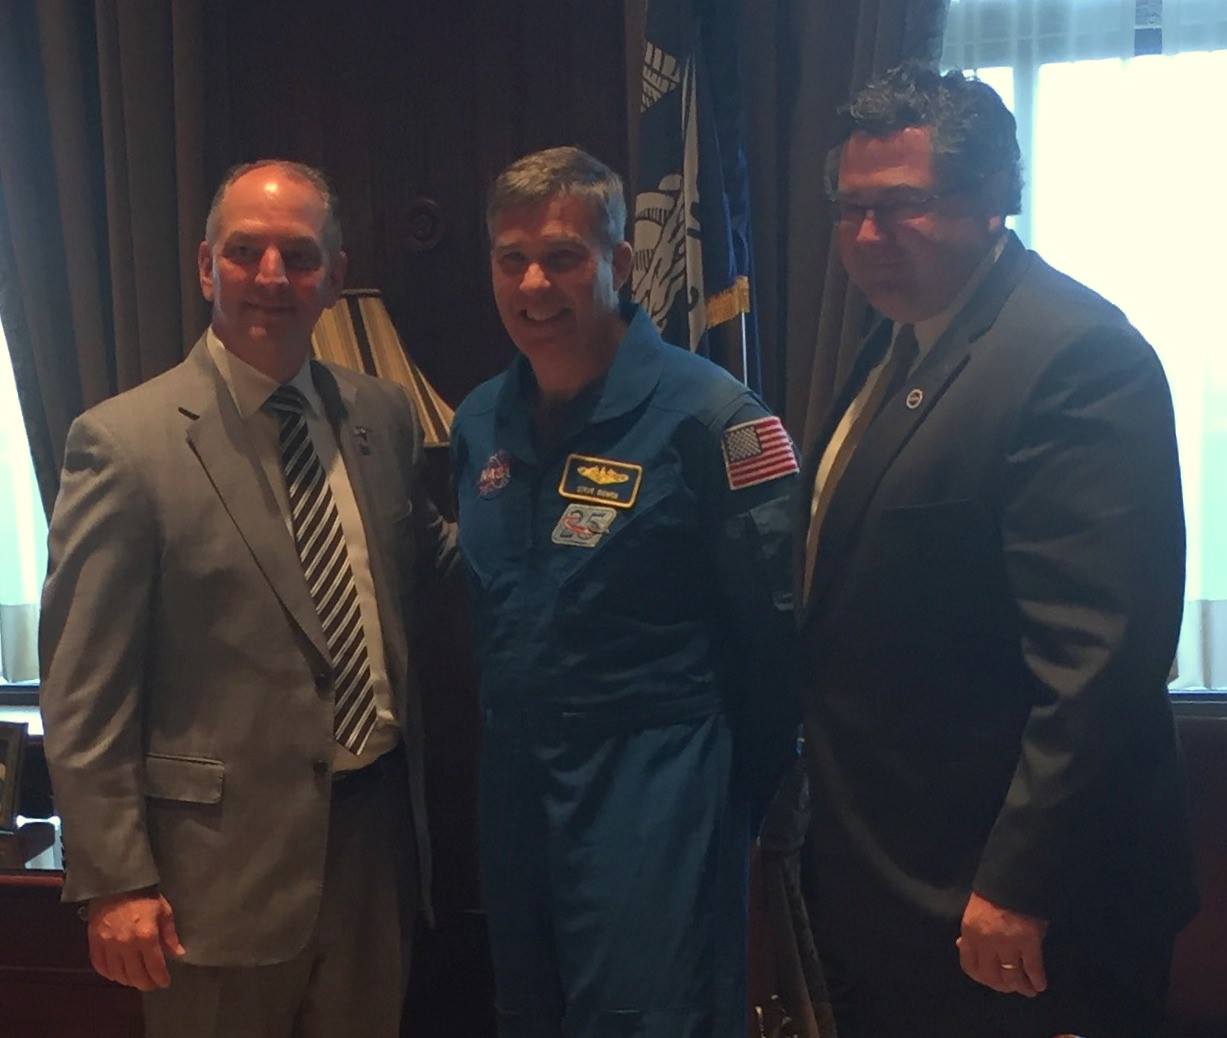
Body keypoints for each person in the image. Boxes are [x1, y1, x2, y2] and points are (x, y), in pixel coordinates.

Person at [795, 63, 1197, 1037]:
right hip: (896, 871)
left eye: (900, 208)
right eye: (849, 209)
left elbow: (1099, 661)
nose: (865, 238)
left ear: (991, 203)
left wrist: (1020, 882)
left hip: (1011, 907)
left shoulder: (1073, 355)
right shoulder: (903, 340)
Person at [39, 159, 456, 1037]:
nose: (272, 276)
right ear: (205, 267)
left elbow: (431, 560)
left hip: (375, 855)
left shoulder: (381, 417)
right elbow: (83, 691)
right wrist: (115, 880)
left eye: (300, 256)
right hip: (207, 886)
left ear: (335, 278)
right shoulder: (123, 444)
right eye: (246, 251)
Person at [450, 145, 798, 1037]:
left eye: (563, 256)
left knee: (652, 1021)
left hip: (657, 787)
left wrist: (723, 801)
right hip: (517, 787)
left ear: (620, 263)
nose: (534, 284)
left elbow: (776, 644)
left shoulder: (714, 419)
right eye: (509, 258)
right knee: (528, 1013)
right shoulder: (479, 419)